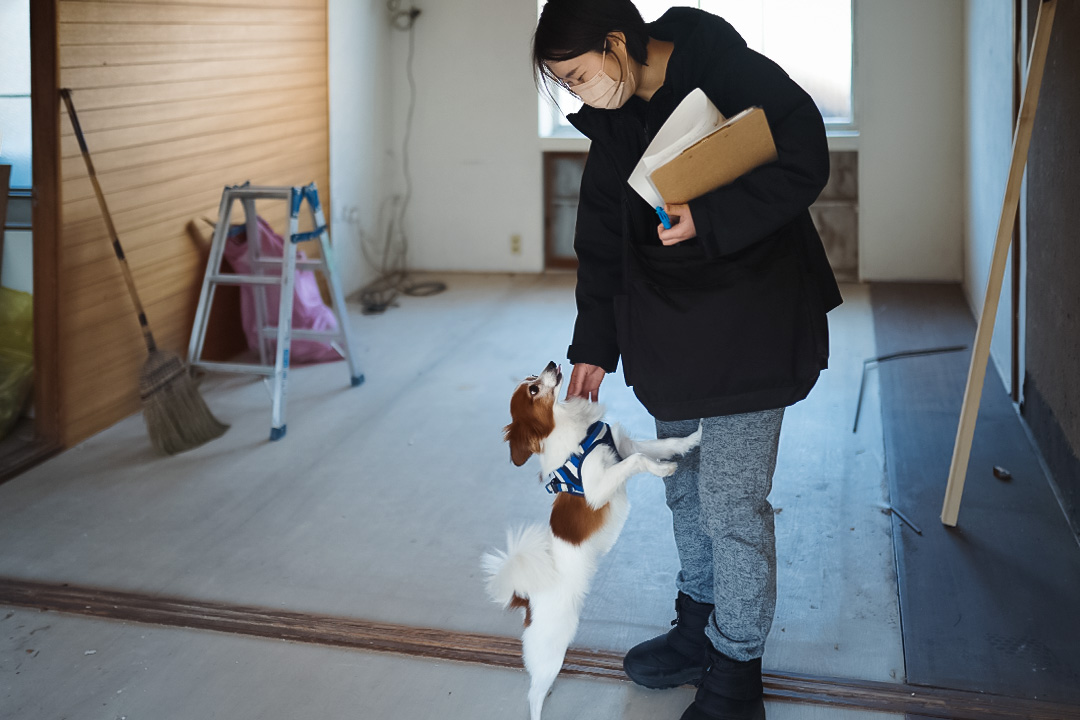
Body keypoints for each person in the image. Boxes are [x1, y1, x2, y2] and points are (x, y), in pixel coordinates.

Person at [532, 2, 843, 719]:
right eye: (566, 84)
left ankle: (737, 670)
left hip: (751, 324)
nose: (580, 94)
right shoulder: (612, 119)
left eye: (580, 75)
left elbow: (805, 152)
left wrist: (713, 216)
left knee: (733, 503)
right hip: (666, 332)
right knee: (685, 488)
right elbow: (603, 235)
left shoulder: (727, 66)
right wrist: (594, 344)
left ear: (617, 42)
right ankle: (699, 623)